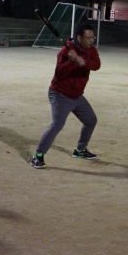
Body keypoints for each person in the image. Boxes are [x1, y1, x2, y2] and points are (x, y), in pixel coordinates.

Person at [31, 23, 101, 168]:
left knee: (91, 120)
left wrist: (83, 62)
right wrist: (72, 61)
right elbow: (60, 74)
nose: (91, 41)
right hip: (60, 94)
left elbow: (96, 65)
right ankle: (38, 155)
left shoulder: (91, 50)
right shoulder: (65, 52)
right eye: (88, 38)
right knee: (57, 125)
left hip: (77, 96)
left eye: (92, 37)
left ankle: (80, 150)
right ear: (79, 37)